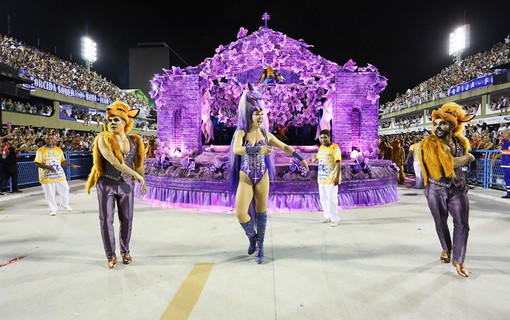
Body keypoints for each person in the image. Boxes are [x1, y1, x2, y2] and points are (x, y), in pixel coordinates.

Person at [229, 83, 308, 264]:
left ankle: (261, 247)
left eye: (262, 113)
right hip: (246, 177)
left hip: (262, 176)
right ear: (250, 115)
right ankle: (252, 238)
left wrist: (300, 157)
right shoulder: (241, 132)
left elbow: (284, 146)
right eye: (257, 114)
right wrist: (257, 151)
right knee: (241, 213)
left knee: (261, 213)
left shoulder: (266, 134)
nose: (260, 116)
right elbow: (236, 150)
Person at [85, 101, 146, 269]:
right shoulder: (103, 139)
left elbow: (139, 164)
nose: (112, 123)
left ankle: (125, 251)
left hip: (126, 185)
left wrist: (143, 179)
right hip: (106, 184)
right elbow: (114, 161)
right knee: (106, 220)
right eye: (110, 120)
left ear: (125, 122)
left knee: (127, 219)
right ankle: (111, 255)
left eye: (116, 120)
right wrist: (135, 175)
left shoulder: (135, 141)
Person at [419, 102, 475, 278]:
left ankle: (458, 260)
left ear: (453, 125)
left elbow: (458, 169)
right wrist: (468, 157)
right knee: (441, 223)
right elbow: (448, 164)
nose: (438, 127)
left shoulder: (460, 142)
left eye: (442, 123)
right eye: (435, 124)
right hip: (436, 189)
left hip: (457, 189)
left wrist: (463, 182)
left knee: (463, 225)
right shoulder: (429, 144)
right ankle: (446, 248)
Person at [34, 134, 81, 216]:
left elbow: (62, 161)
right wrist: (49, 168)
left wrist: (71, 165)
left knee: (66, 188)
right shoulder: (41, 150)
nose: (49, 140)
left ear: (54, 140)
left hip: (59, 174)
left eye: (51, 138)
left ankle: (64, 204)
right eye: (47, 138)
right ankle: (53, 209)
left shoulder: (58, 150)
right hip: (47, 176)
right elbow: (37, 163)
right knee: (50, 193)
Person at [308, 129, 342, 227]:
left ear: (329, 137)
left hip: (331, 178)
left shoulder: (335, 148)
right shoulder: (322, 147)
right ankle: (327, 216)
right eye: (321, 137)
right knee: (324, 198)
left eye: (325, 137)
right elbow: (318, 157)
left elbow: (338, 162)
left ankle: (334, 218)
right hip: (322, 178)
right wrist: (313, 159)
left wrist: (336, 177)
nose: (323, 139)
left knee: (332, 199)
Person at [492, 129, 510, 198]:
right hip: (505, 164)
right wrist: (495, 157)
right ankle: (509, 193)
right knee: (507, 178)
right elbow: (503, 152)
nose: (502, 134)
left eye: (504, 133)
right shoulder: (505, 142)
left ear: (509, 133)